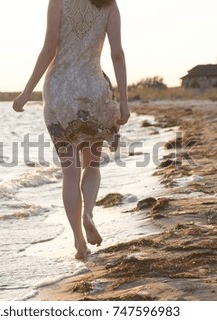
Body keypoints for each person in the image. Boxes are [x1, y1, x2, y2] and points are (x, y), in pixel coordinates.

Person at [12, 0, 129, 259]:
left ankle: (78, 241)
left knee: (69, 172)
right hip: (93, 90)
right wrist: (124, 101)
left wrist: (26, 92)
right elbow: (117, 53)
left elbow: (48, 50)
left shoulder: (58, 2)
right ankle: (88, 214)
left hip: (59, 92)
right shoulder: (108, 5)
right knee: (92, 165)